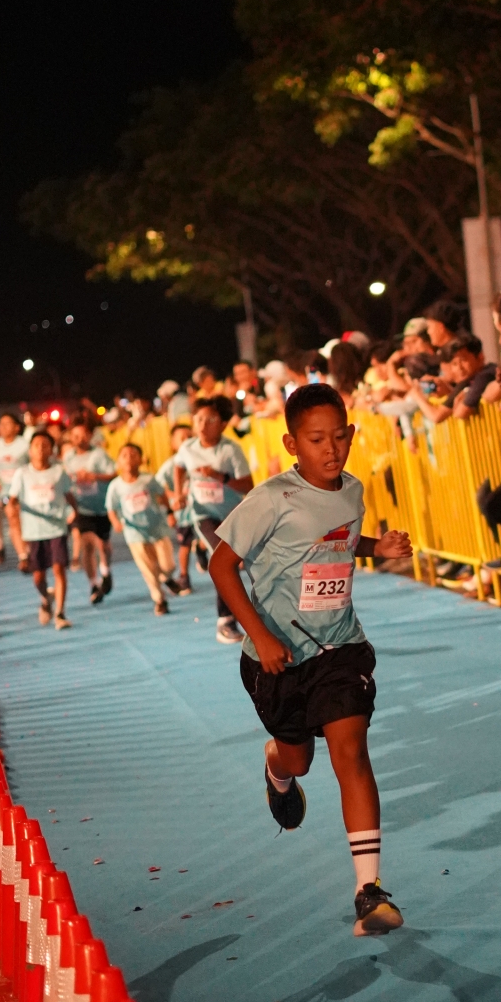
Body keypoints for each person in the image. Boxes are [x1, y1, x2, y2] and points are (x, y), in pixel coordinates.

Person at [208, 383, 413, 937]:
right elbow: (221, 565)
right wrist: (260, 636)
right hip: (276, 658)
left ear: (351, 435)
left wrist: (376, 547)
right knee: (299, 761)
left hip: (340, 648)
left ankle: (369, 891)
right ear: (291, 443)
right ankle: (276, 768)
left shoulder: (353, 489)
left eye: (339, 437)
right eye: (316, 440)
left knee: (352, 753)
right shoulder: (271, 498)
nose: (331, 449)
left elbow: (338, 539)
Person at [172, 397, 253, 643]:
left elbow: (248, 485)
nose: (203, 425)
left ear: (223, 424)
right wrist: (178, 493)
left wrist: (221, 477)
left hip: (232, 516)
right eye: (198, 419)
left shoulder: (230, 449)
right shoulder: (187, 448)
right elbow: (178, 467)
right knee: (223, 561)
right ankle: (225, 621)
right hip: (203, 515)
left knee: (240, 563)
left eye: (210, 420)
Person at [6, 429, 75, 628]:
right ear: (30, 450)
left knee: (59, 568)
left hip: (57, 528)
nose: (41, 449)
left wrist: (74, 513)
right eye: (36, 445)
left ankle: (60, 613)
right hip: (33, 531)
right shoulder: (23, 473)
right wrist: (11, 509)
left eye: (45, 445)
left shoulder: (59, 472)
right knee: (38, 577)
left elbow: (69, 495)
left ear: (52, 450)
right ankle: (46, 598)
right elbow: (12, 499)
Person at [106, 443, 180, 614]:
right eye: (124, 455)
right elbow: (111, 508)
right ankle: (159, 599)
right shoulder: (115, 486)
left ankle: (166, 577)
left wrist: (169, 512)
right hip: (134, 533)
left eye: (133, 455)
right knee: (148, 568)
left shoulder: (148, 480)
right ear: (118, 461)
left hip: (157, 528)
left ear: (141, 460)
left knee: (168, 565)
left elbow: (162, 495)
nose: (129, 459)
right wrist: (116, 522)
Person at [63, 417, 116, 604]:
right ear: (71, 437)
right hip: (82, 507)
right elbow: (64, 479)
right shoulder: (68, 457)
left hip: (101, 506)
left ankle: (106, 571)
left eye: (83, 435)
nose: (80, 439)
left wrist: (95, 476)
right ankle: (93, 584)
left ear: (89, 436)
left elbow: (113, 474)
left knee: (103, 545)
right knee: (87, 545)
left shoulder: (99, 455)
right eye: (75, 435)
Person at [155, 419, 195, 593]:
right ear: (173, 444)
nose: (186, 441)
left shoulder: (199, 459)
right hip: (183, 513)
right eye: (182, 438)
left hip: (203, 510)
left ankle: (202, 551)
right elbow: (159, 487)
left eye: (189, 437)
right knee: (185, 545)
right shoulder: (170, 466)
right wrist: (173, 498)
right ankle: (184, 576)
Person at [0, 413, 30, 564]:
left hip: (25, 490)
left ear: (17, 427)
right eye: (1, 424)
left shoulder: (24, 444)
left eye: (7, 423)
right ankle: (22, 555)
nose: (3, 427)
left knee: (23, 521)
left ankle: (28, 548)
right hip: (5, 490)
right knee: (12, 517)